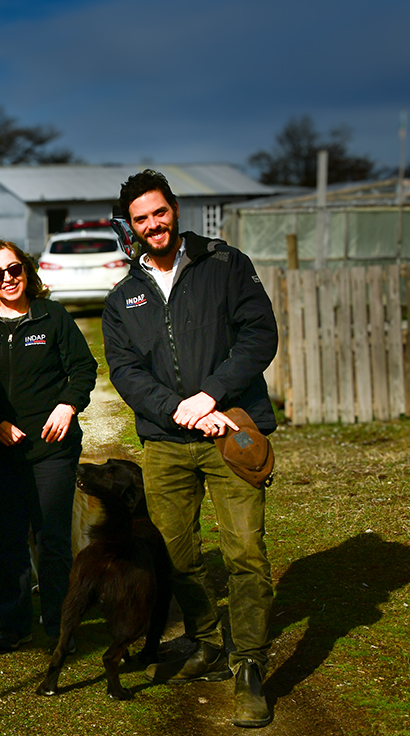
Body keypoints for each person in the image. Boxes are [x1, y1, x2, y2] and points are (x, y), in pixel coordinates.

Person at [101, 169, 278, 728]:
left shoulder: (226, 265)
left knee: (246, 553)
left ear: (175, 210)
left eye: (159, 212)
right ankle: (206, 643)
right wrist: (171, 408)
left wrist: (210, 396)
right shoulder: (123, 296)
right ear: (129, 227)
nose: (153, 224)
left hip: (228, 430)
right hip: (167, 445)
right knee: (178, 558)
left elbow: (259, 334)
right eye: (140, 219)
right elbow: (125, 370)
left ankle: (249, 664)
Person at [0, 241, 97, 652]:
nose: (8, 279)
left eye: (13, 269)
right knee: (10, 541)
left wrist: (68, 406)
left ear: (26, 269)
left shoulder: (51, 316)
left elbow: (83, 368)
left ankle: (58, 627)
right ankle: (14, 624)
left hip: (51, 449)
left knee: (52, 539)